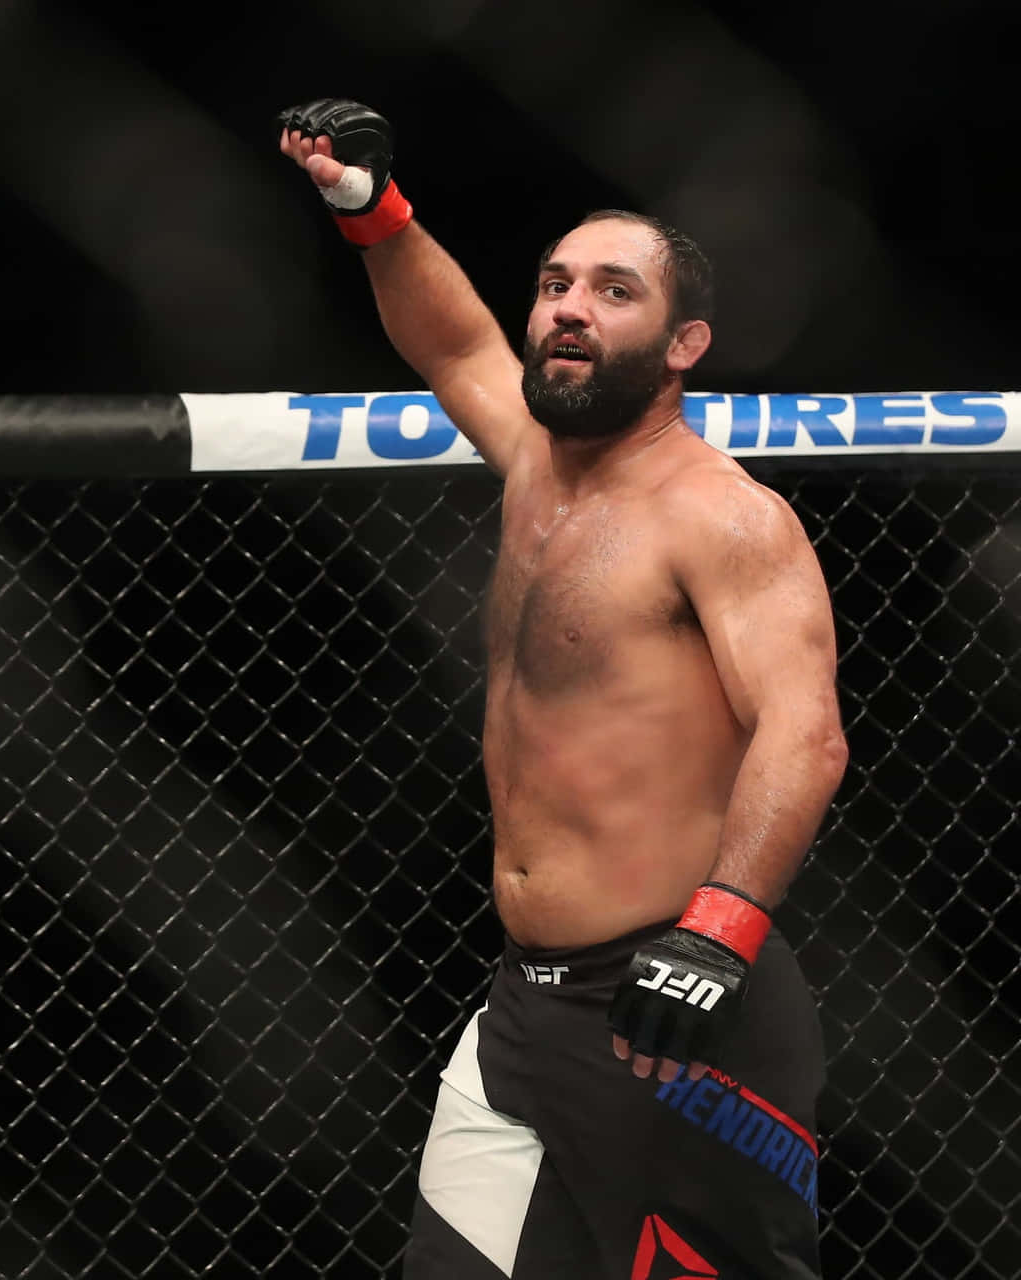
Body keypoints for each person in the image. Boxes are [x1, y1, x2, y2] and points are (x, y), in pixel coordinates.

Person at [275, 99, 849, 1278]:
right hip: (521, 1010)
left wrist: (719, 935)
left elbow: (805, 733)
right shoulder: (538, 467)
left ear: (685, 343)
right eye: (553, 283)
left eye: (612, 289)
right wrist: (371, 212)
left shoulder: (726, 518)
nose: (568, 308)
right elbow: (451, 345)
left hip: (679, 1005)